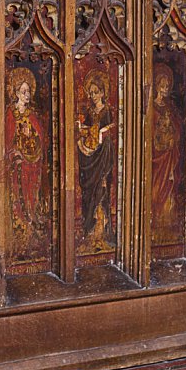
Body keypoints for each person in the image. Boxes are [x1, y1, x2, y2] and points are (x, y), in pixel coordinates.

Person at [5, 67, 46, 254]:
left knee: (32, 199)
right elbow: (6, 140)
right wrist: (15, 153)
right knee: (17, 199)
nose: (27, 95)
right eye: (23, 91)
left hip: (32, 165)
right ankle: (19, 236)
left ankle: (31, 233)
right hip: (16, 167)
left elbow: (40, 140)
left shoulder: (32, 115)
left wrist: (33, 135)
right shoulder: (10, 114)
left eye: (28, 91)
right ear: (15, 93)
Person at [76, 69, 116, 249]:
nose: (92, 95)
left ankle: (103, 230)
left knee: (102, 189)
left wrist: (101, 131)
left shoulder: (107, 110)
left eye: (95, 92)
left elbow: (113, 127)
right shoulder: (90, 111)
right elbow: (89, 128)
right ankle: (90, 230)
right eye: (90, 92)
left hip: (104, 156)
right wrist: (82, 127)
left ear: (102, 92)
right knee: (89, 191)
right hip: (91, 156)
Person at [151, 64, 182, 244]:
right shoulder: (152, 106)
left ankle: (166, 221)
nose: (164, 90)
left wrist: (173, 138)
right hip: (156, 155)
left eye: (166, 87)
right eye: (161, 86)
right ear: (155, 86)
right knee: (156, 188)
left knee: (168, 186)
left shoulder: (169, 107)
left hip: (169, 155)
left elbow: (177, 128)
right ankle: (154, 218)